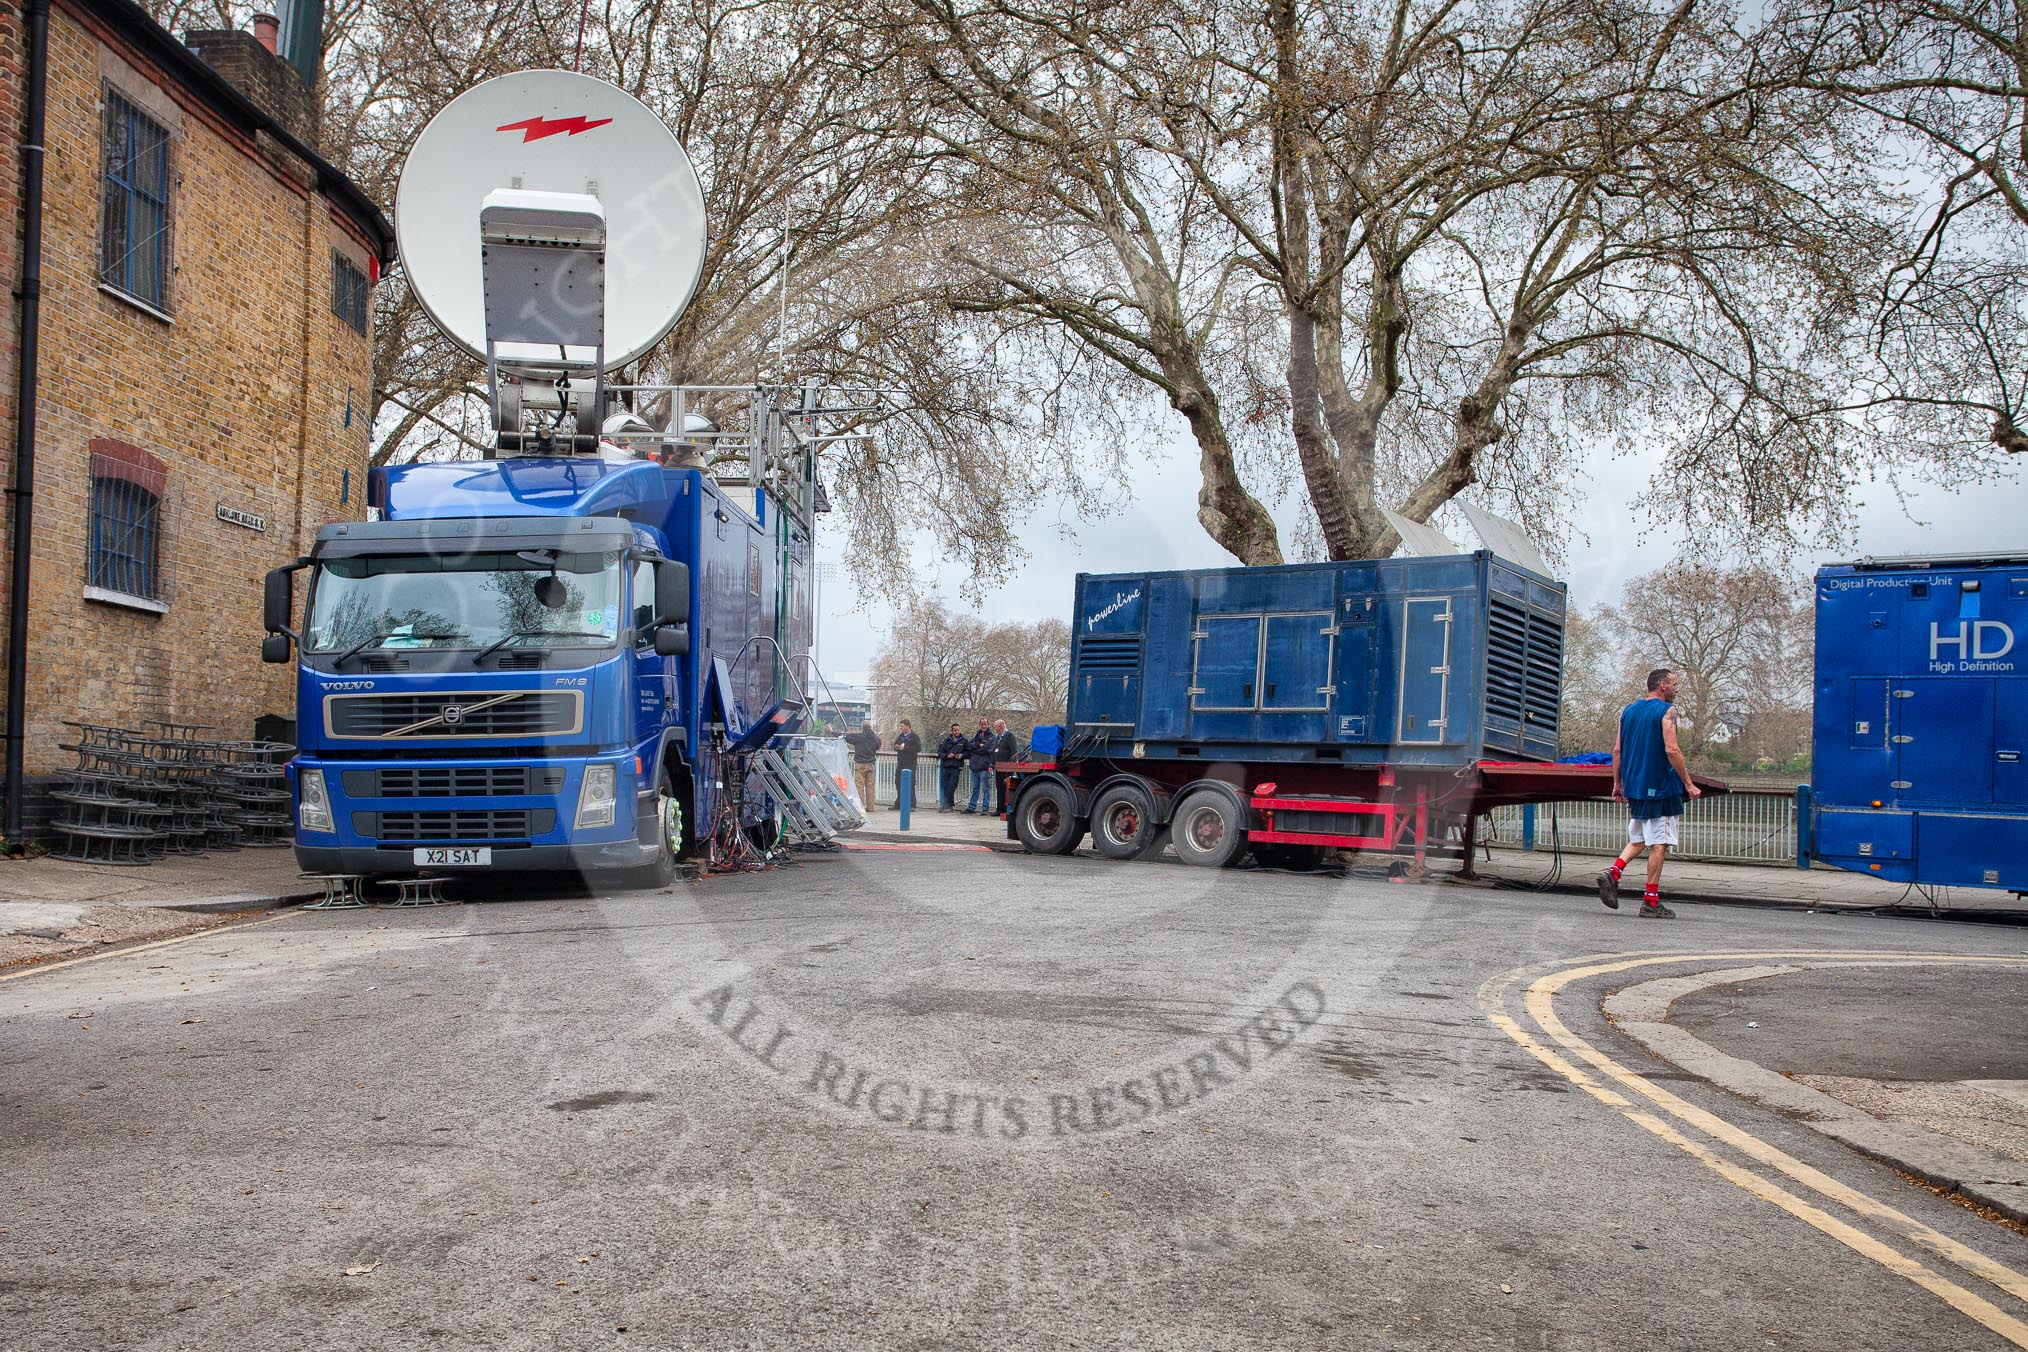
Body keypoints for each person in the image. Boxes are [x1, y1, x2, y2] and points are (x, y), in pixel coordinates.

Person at [1598, 668, 1702, 919]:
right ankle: (1651, 901)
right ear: (1662, 686)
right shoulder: (1667, 711)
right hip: (1661, 787)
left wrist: (1618, 783)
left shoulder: (1628, 711)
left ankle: (1614, 873)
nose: (1677, 689)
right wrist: (1688, 783)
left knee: (1638, 839)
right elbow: (1672, 749)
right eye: (1675, 684)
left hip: (1635, 785)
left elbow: (1617, 751)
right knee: (1660, 843)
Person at [846, 721, 881, 811]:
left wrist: (833, 732)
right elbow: (878, 746)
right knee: (870, 786)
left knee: (859, 785)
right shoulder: (875, 737)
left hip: (860, 763)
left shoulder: (859, 737)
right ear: (870, 727)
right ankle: (870, 807)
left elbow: (847, 737)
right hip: (870, 764)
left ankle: (860, 807)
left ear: (862, 727)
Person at [964, 717, 995, 814]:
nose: (983, 726)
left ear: (988, 725)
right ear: (980, 725)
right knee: (975, 788)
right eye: (982, 724)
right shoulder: (977, 735)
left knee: (985, 788)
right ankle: (971, 807)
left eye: (985, 724)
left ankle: (985, 809)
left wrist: (975, 748)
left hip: (985, 766)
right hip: (975, 766)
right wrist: (978, 745)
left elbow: (987, 749)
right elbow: (968, 746)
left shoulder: (992, 737)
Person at [937, 722, 967, 813]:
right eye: (955, 730)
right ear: (952, 731)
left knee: (951, 786)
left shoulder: (963, 741)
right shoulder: (947, 741)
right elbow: (940, 753)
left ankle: (948, 805)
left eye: (958, 730)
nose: (957, 731)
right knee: (945, 786)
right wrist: (947, 755)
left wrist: (962, 755)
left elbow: (969, 752)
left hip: (956, 767)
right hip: (946, 766)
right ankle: (947, 805)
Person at [892, 719, 921, 812]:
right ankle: (899, 803)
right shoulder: (900, 736)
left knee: (910, 784)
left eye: (902, 726)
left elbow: (918, 748)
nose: (900, 728)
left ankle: (912, 804)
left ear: (908, 726)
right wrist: (896, 747)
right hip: (901, 763)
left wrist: (904, 748)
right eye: (900, 726)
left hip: (910, 764)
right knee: (898, 782)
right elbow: (895, 745)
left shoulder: (914, 737)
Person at [991, 718, 1018, 815]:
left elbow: (1014, 751)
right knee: (999, 788)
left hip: (1007, 768)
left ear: (1001, 726)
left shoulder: (1009, 736)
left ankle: (1007, 809)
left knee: (1006, 788)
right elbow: (994, 751)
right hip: (999, 767)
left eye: (996, 727)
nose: (995, 729)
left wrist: (1012, 766)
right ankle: (999, 809)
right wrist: (992, 763)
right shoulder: (998, 737)